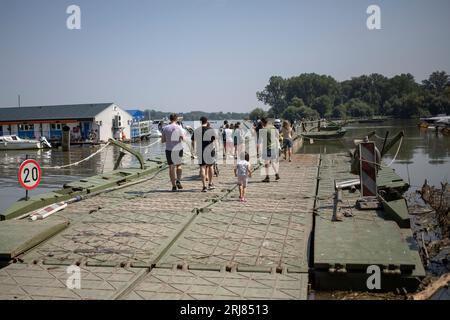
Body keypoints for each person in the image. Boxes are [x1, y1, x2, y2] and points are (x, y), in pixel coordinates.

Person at [192, 116, 218, 192]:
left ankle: (204, 186)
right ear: (207, 121)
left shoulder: (197, 130)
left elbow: (193, 141)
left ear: (200, 122)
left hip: (200, 150)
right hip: (210, 150)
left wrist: (194, 150)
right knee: (210, 167)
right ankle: (210, 183)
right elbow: (215, 141)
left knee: (202, 168)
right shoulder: (211, 130)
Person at [161, 113, 184, 192]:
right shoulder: (179, 127)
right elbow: (183, 138)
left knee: (171, 167)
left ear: (170, 119)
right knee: (179, 165)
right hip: (178, 149)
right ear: (176, 119)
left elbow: (162, 140)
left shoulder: (165, 128)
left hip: (169, 149)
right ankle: (178, 180)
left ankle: (174, 186)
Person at [260, 118, 280, 182]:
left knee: (266, 163)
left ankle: (267, 177)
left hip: (266, 148)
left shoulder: (263, 129)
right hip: (273, 147)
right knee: (273, 162)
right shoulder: (273, 127)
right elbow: (277, 135)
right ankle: (277, 174)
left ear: (263, 122)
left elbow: (261, 140)